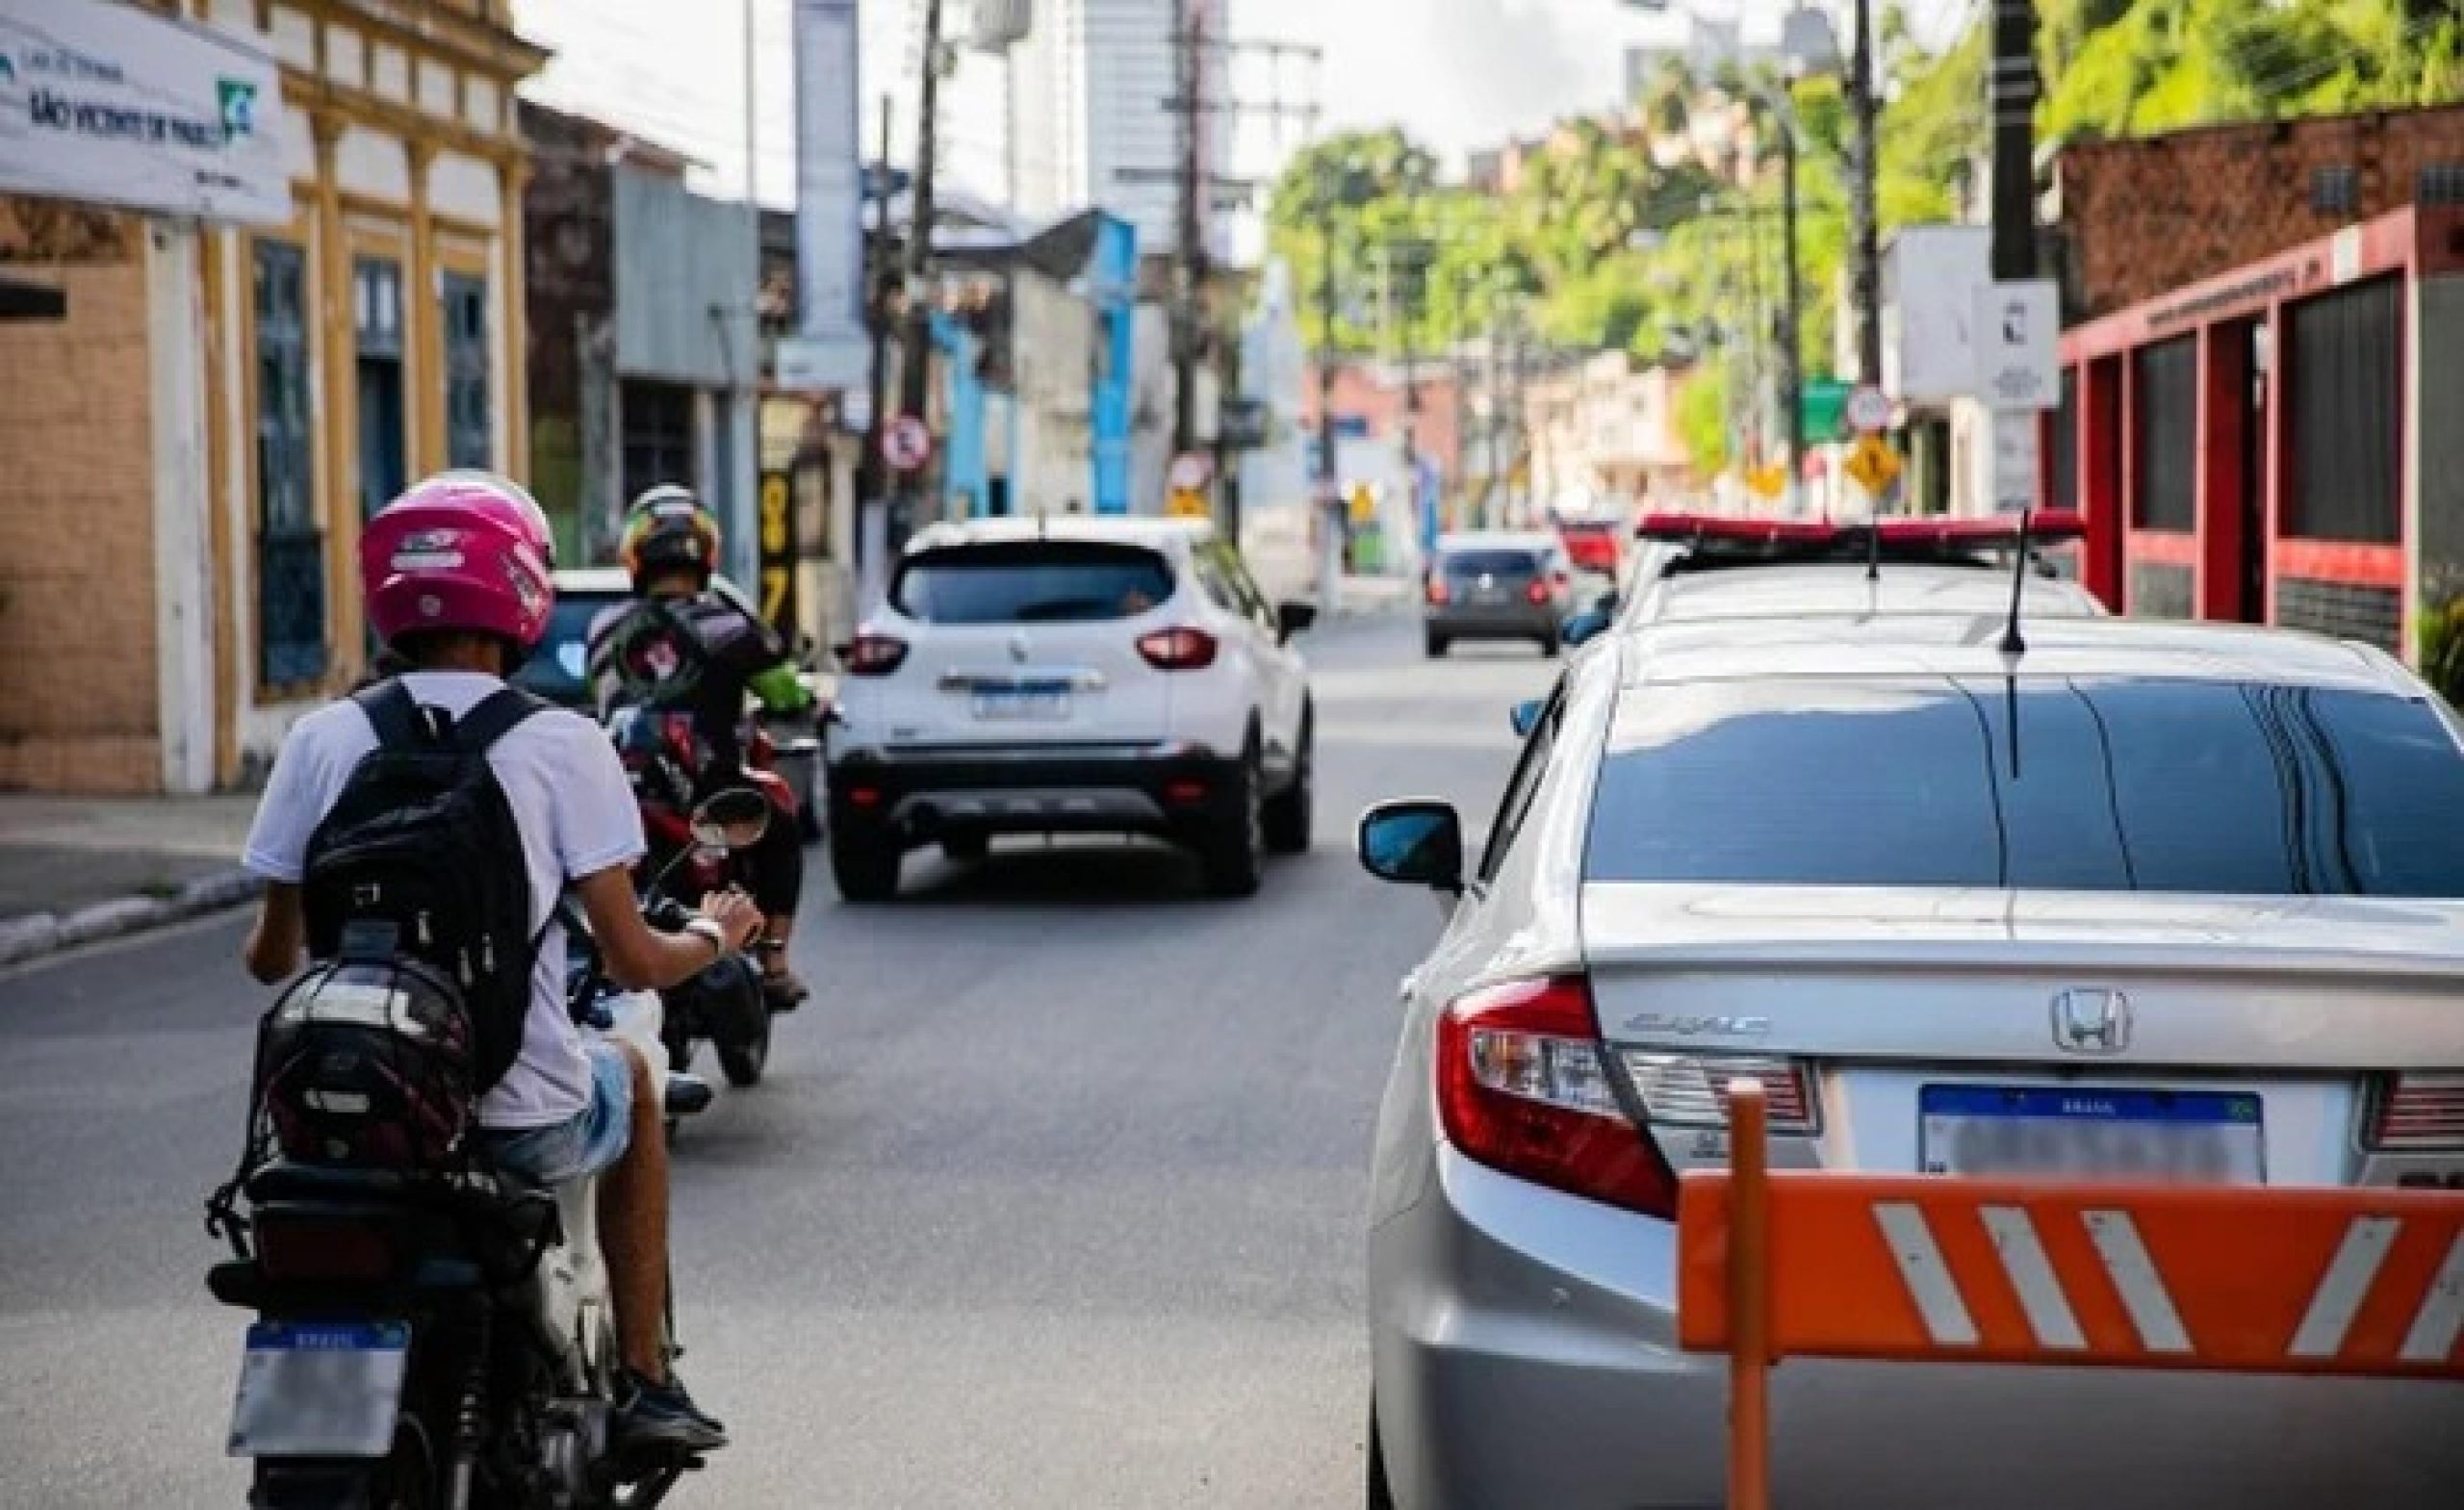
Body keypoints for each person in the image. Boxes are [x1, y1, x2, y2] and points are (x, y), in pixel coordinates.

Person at [240, 471, 756, 1454]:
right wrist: (717, 940)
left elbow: (271, 958)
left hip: (343, 1127)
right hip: (520, 1120)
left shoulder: (320, 738)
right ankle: (645, 1379)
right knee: (639, 1077)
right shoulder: (562, 744)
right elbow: (632, 960)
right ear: (522, 592)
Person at [588, 484, 814, 1010]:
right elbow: (784, 688)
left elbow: (599, 699)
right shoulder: (728, 624)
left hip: (625, 794)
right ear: (705, 554)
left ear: (636, 555)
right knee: (779, 814)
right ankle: (776, 961)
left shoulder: (604, 627)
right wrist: (805, 697)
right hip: (713, 788)